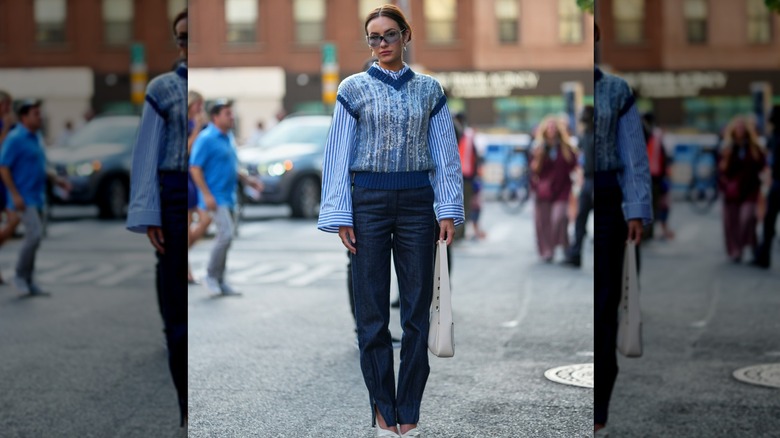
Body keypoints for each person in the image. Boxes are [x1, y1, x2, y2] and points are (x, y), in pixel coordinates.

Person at [318, 5, 464, 437]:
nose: (381, 44)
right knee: (372, 314)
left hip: (419, 203)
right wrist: (342, 213)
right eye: (374, 37)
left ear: (406, 35)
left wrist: (448, 209)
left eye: (389, 35)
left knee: (418, 313)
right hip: (367, 205)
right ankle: (383, 410)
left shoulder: (430, 90)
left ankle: (410, 410)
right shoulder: (353, 88)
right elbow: (337, 156)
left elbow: (446, 156)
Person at [125, 8, 188, 426]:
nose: (188, 43)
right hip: (172, 196)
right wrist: (149, 215)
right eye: (182, 36)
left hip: (201, 199)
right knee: (177, 315)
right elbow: (145, 154)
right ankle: (188, 410)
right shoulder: (162, 89)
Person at [593, 24, 653, 435]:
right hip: (580, 203)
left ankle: (598, 412)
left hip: (610, 205)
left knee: (603, 308)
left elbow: (635, 155)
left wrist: (637, 210)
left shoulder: (616, 90)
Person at [189, 99, 263, 295]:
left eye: (231, 114)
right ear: (215, 117)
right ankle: (211, 276)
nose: (232, 118)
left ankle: (221, 280)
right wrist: (206, 194)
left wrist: (248, 181)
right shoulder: (206, 139)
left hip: (230, 197)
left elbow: (233, 166)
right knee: (226, 235)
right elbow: (195, 168)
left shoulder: (228, 136)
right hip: (215, 197)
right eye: (227, 114)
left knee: (227, 239)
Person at [0, 99, 72, 295]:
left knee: (36, 239)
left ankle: (29, 280)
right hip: (24, 198)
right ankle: (19, 276)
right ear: (24, 117)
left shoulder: (37, 137)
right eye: (35, 114)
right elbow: (3, 167)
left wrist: (57, 180)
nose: (39, 117)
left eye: (40, 114)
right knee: (34, 236)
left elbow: (41, 167)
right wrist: (14, 195)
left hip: (38, 197)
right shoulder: (15, 138)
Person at [717, 115, 766, 263]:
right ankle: (735, 250)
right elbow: (721, 170)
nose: (740, 130)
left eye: (742, 128)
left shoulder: (754, 147)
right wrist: (726, 157)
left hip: (750, 190)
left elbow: (763, 166)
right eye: (737, 128)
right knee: (731, 222)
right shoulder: (727, 147)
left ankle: (748, 243)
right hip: (731, 191)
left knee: (747, 217)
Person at [530, 116, 578, 262]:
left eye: (554, 127)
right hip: (543, 190)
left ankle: (563, 244)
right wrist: (539, 156)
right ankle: (547, 250)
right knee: (543, 222)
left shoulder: (565, 147)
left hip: (562, 188)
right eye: (549, 127)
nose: (551, 130)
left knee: (560, 217)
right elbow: (533, 170)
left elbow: (574, 165)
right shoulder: (538, 147)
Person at [564, 105, 594, 267]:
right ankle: (576, 254)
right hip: (587, 181)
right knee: (580, 219)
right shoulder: (584, 135)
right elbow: (576, 153)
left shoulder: (597, 135)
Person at [187, 90, 210, 284]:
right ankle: (186, 269)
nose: (200, 108)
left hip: (199, 178)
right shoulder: (185, 124)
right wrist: (196, 129)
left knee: (205, 220)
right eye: (198, 104)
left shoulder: (201, 125)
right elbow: (186, 149)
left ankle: (181, 253)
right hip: (186, 176)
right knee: (186, 223)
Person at [753, 105, 780, 268]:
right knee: (769, 221)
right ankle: (763, 256)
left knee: (769, 222)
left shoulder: (775, 136)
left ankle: (764, 256)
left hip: (777, 184)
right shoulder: (774, 135)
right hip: (776, 183)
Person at [642, 112, 675, 240]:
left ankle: (648, 232)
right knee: (653, 204)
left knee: (651, 204)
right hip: (654, 175)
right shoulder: (657, 135)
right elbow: (664, 156)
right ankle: (649, 231)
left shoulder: (649, 135)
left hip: (649, 175)